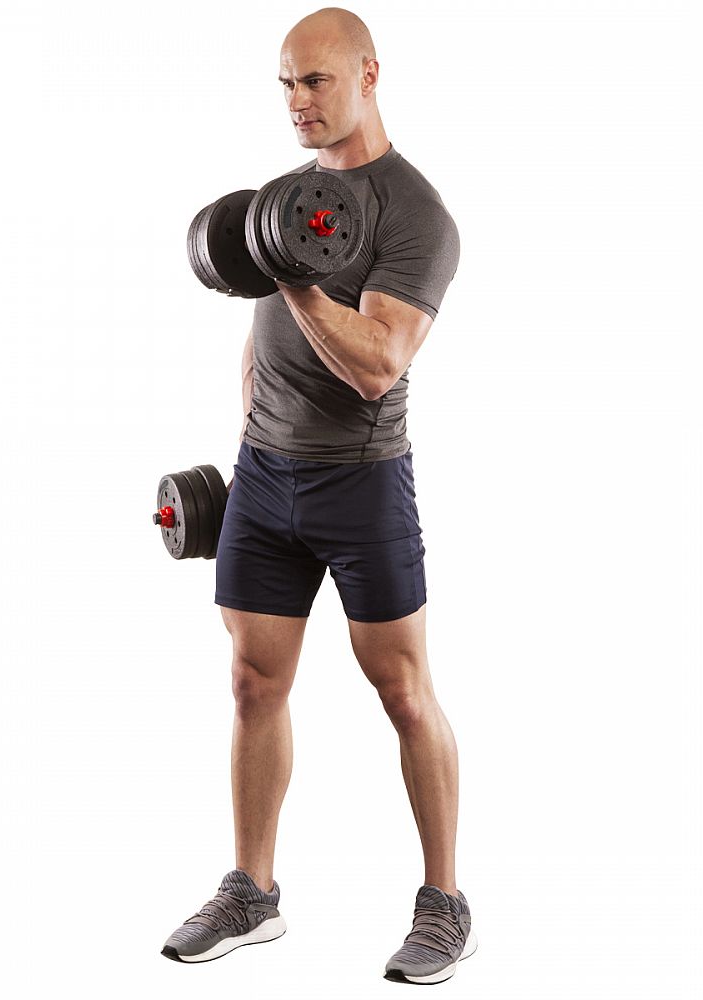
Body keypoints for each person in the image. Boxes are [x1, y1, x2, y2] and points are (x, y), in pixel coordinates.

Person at [162, 7, 477, 985]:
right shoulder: (286, 200)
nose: (297, 102)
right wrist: (246, 451)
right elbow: (258, 343)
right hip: (265, 477)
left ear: (369, 76)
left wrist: (296, 277)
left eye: (316, 81)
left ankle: (445, 904)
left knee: (402, 689)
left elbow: (379, 364)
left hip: (363, 482)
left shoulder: (414, 215)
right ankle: (252, 891)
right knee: (252, 682)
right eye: (286, 84)